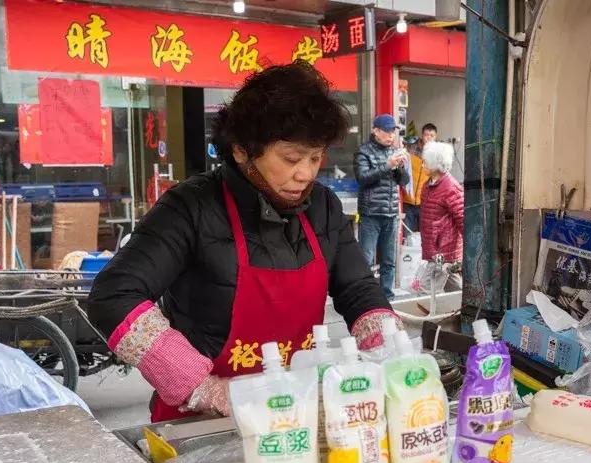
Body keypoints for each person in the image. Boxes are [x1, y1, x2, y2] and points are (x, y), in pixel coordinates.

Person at [88, 63, 402, 423]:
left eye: (315, 157)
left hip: (291, 415)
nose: (306, 173)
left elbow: (358, 287)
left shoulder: (323, 208)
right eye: (291, 158)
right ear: (242, 150)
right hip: (203, 423)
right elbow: (113, 295)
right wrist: (202, 386)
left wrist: (388, 346)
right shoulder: (191, 207)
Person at [354, 114, 410, 300]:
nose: (391, 136)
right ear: (375, 131)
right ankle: (365, 297)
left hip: (391, 213)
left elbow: (404, 181)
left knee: (389, 261)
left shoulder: (393, 152)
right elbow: (363, 178)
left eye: (393, 131)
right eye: (387, 131)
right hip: (370, 213)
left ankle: (387, 297)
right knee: (366, 260)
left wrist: (400, 167)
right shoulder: (363, 151)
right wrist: (388, 165)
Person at [419, 141, 464, 292]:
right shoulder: (427, 186)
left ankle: (428, 315)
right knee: (456, 289)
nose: (422, 164)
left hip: (444, 251)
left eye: (425, 161)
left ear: (435, 163)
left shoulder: (450, 187)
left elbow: (462, 218)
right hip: (436, 249)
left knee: (425, 291)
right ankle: (469, 307)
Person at [401, 123, 438, 239]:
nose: (429, 138)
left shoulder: (437, 154)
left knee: (426, 237)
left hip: (425, 202)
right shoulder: (410, 149)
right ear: (422, 135)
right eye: (426, 135)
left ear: (435, 137)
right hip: (408, 200)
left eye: (432, 135)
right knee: (408, 237)